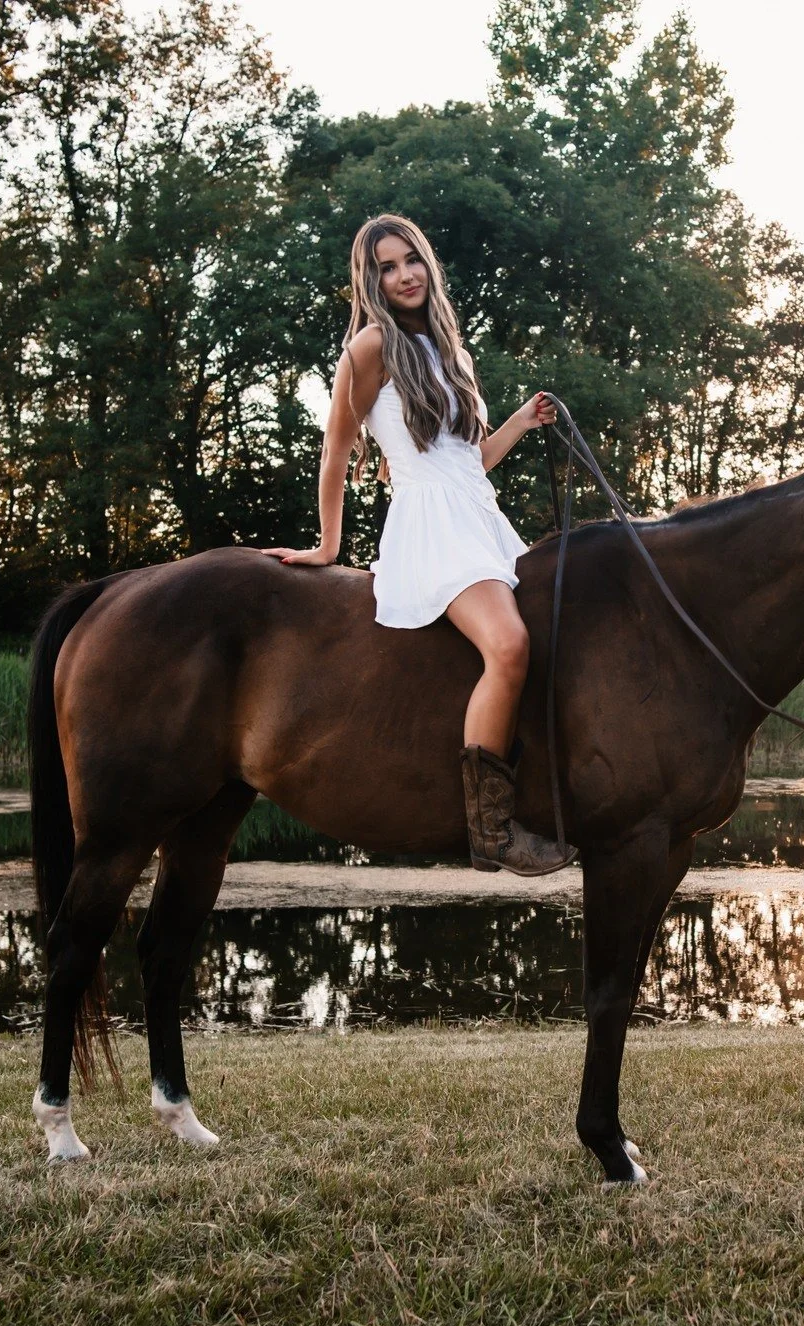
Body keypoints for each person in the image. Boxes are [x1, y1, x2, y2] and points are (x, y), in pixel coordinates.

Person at [263, 214, 575, 876]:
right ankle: (489, 828)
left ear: (427, 266)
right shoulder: (370, 349)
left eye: (411, 260)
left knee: (549, 635)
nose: (403, 274)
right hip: (430, 529)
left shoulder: (452, 351)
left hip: (479, 518)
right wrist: (327, 545)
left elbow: (468, 461)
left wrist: (520, 419)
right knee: (509, 644)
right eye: (386, 266)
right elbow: (337, 447)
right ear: (369, 279)